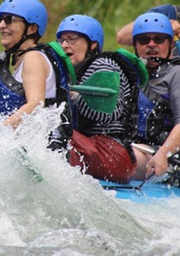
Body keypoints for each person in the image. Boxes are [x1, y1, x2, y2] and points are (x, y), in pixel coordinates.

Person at [0, 0, 75, 157]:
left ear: (31, 29)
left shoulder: (33, 59)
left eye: (9, 20)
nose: (1, 25)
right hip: (24, 137)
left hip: (40, 145)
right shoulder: (22, 59)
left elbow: (35, 105)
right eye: (0, 19)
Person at [51, 14, 143, 183]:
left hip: (111, 153)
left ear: (92, 44)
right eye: (61, 40)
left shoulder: (103, 65)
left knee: (47, 128)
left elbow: (106, 113)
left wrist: (71, 96)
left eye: (72, 39)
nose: (64, 45)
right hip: (96, 150)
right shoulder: (71, 73)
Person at [130, 13, 180, 189]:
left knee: (123, 158)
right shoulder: (130, 76)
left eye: (159, 40)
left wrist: (164, 153)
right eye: (144, 40)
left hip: (178, 160)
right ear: (135, 46)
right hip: (140, 149)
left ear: (171, 45)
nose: (151, 45)